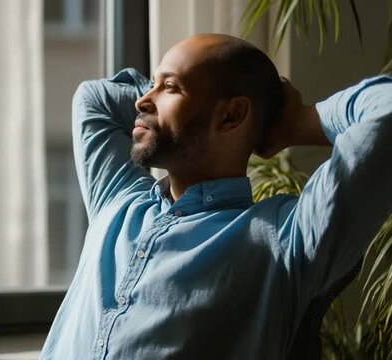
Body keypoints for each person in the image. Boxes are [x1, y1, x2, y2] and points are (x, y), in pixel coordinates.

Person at [39, 33, 392, 359]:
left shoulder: (286, 239)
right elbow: (93, 98)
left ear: (231, 115)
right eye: (152, 85)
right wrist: (166, 87)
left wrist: (299, 120)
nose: (143, 100)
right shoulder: (118, 200)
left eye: (170, 87)